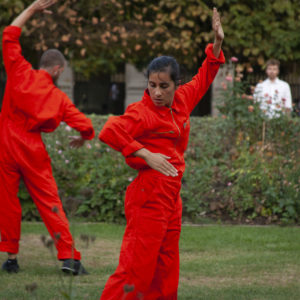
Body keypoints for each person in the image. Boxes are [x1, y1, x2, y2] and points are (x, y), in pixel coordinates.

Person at [98, 7, 225, 300]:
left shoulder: (182, 100)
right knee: (136, 269)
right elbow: (109, 130)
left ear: (175, 85)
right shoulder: (140, 112)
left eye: (163, 86)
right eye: (152, 85)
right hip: (147, 197)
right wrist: (145, 154)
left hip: (171, 198)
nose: (156, 92)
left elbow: (206, 74)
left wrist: (217, 43)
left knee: (166, 268)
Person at [0, 0, 95, 275]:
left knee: (7, 201)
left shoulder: (18, 71)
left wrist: (31, 9)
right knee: (50, 202)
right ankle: (69, 258)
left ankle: (11, 258)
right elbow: (84, 124)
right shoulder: (58, 97)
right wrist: (84, 136)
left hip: (5, 143)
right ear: (56, 69)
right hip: (32, 150)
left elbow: (9, 33)